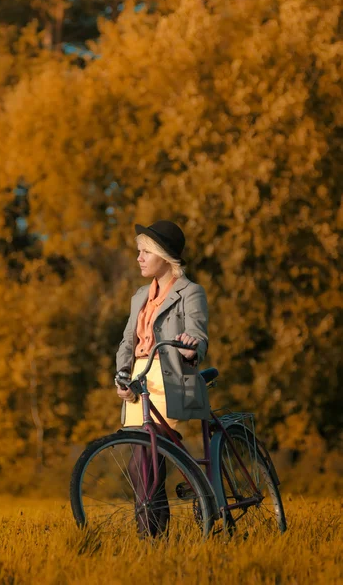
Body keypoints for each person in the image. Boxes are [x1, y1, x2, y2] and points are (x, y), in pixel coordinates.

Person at [114, 219, 210, 536]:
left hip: (167, 380)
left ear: (163, 255)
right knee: (142, 463)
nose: (139, 258)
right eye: (138, 252)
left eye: (144, 252)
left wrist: (190, 349)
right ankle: (159, 531)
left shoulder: (190, 292)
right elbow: (128, 342)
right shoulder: (139, 296)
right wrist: (121, 376)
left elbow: (197, 333)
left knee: (146, 460)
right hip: (139, 382)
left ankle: (151, 539)